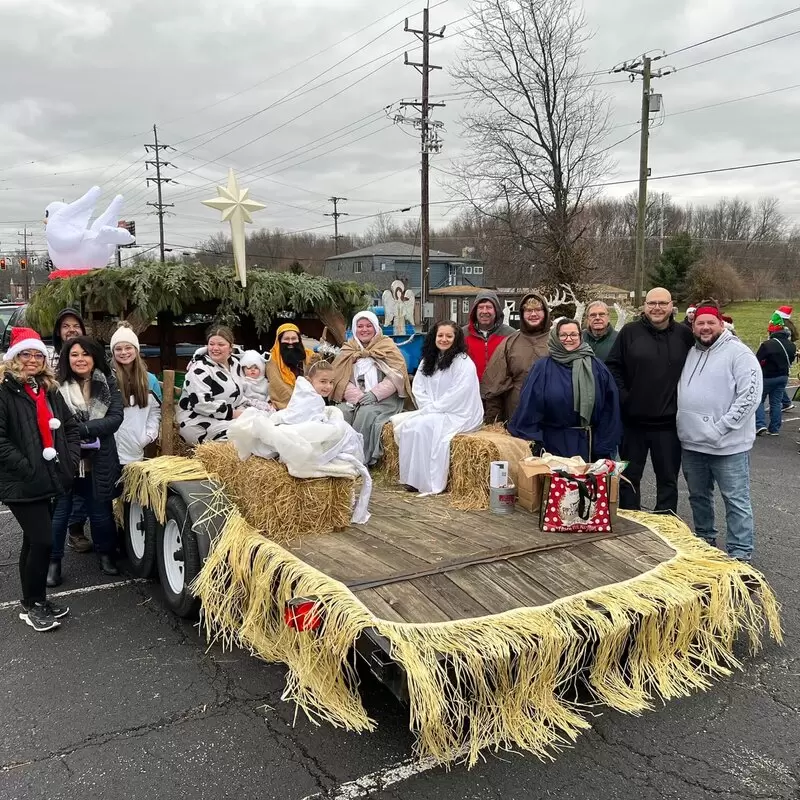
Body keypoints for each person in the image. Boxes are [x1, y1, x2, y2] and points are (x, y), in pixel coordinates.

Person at [0, 328, 80, 631]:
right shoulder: (5, 391)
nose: (32, 359)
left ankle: (33, 600)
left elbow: (70, 427)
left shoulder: (48, 389)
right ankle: (34, 604)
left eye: (38, 354)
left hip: (48, 478)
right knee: (44, 540)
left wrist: (70, 460)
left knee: (33, 541)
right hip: (21, 481)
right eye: (26, 353)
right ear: (14, 357)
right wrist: (28, 467)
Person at [677, 304, 762, 561]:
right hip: (692, 444)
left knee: (735, 501)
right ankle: (705, 539)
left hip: (727, 446)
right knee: (699, 497)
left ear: (721, 324)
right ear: (693, 326)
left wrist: (722, 427)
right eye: (700, 323)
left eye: (710, 323)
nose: (704, 328)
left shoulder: (739, 353)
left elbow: (750, 395)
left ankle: (740, 553)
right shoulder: (691, 352)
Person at [606, 287, 694, 513]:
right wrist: (625, 397)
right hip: (633, 422)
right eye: (652, 303)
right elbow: (613, 367)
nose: (657, 308)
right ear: (644, 306)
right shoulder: (629, 332)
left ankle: (666, 520)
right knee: (629, 478)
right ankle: (630, 519)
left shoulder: (684, 334)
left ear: (671, 306)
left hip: (668, 424)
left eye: (662, 303)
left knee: (668, 479)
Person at [49, 336, 124, 586]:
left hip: (99, 461)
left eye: (85, 354)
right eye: (74, 355)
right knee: (59, 515)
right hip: (66, 462)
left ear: (94, 358)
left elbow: (114, 419)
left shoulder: (107, 383)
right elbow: (52, 423)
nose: (80, 359)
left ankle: (106, 554)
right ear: (67, 359)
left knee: (101, 513)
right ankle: (53, 562)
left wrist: (76, 430)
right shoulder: (55, 387)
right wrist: (76, 431)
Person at [509, 319, 621, 461]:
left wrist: (603, 446)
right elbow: (529, 407)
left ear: (581, 336)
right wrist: (534, 442)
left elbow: (609, 409)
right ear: (556, 337)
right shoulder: (542, 368)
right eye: (563, 335)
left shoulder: (596, 367)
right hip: (552, 446)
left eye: (573, 335)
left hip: (589, 446)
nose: (569, 339)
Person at [391, 321, 483, 494]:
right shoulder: (429, 360)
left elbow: (459, 393)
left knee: (424, 427)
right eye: (440, 335)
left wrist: (435, 408)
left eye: (449, 336)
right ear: (434, 337)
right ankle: (413, 478)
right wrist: (429, 407)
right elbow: (418, 387)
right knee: (410, 427)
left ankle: (428, 481)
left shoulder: (463, 362)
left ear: (456, 339)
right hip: (433, 410)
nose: (444, 339)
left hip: (459, 412)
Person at [330, 310, 412, 466]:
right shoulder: (348, 349)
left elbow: (396, 374)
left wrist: (374, 394)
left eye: (369, 326)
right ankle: (338, 454)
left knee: (366, 413)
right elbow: (338, 376)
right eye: (360, 326)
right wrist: (355, 395)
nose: (364, 330)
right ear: (355, 329)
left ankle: (360, 458)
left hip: (384, 400)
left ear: (375, 328)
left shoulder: (387, 346)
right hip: (354, 399)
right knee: (340, 413)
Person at [50, 307, 92, 553]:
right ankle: (64, 538)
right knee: (64, 487)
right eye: (66, 326)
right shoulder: (48, 358)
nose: (71, 329)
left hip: (87, 432)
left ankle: (78, 530)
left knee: (85, 483)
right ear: (58, 332)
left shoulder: (89, 355)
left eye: (75, 325)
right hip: (58, 433)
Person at [481, 292, 550, 423]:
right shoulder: (510, 343)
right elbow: (494, 387)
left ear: (545, 312)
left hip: (551, 416)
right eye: (528, 310)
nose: (533, 314)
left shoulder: (557, 341)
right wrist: (494, 422)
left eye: (538, 310)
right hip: (517, 414)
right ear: (522, 314)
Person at [177, 325, 245, 444]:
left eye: (220, 344)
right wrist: (233, 413)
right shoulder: (200, 369)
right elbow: (201, 404)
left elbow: (238, 394)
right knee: (242, 434)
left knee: (257, 425)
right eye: (211, 344)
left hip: (227, 417)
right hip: (197, 421)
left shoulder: (235, 364)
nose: (215, 348)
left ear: (230, 347)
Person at [110, 322, 162, 465]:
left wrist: (149, 435)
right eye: (118, 349)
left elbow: (155, 411)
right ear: (113, 352)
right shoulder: (108, 379)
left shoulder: (150, 380)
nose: (124, 352)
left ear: (136, 349)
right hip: (109, 451)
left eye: (128, 347)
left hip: (135, 451)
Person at [755, 312, 797, 437]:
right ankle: (774, 429)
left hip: (767, 376)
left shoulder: (767, 345)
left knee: (759, 401)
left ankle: (760, 424)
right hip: (783, 376)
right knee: (776, 402)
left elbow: (757, 360)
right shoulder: (791, 345)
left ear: (772, 332)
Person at [462, 290, 515, 380]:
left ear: (496, 310)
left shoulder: (510, 335)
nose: (485, 311)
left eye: (489, 307)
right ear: (475, 310)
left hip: (501, 391)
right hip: (471, 391)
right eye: (481, 307)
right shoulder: (462, 334)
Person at [265, 324, 315, 410]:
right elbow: (277, 385)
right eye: (286, 339)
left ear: (299, 339)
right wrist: (297, 401)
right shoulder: (272, 359)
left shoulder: (310, 356)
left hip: (310, 402)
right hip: (285, 405)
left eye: (294, 338)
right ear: (279, 340)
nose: (290, 342)